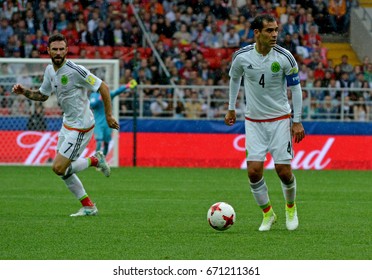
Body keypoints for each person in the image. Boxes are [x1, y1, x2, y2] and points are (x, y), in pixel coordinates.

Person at [12, 33, 119, 217]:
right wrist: (25, 92)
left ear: (67, 50)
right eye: (55, 49)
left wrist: (109, 115)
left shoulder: (75, 70)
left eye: (62, 49)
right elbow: (43, 96)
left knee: (59, 168)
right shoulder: (49, 71)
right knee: (62, 170)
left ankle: (95, 160)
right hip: (67, 124)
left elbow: (103, 87)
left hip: (81, 126)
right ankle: (89, 206)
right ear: (49, 51)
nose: (59, 52)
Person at [224, 15, 305, 231]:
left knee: (283, 171)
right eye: (269, 30)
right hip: (253, 121)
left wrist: (296, 121)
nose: (275, 34)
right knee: (253, 171)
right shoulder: (242, 57)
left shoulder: (285, 57)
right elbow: (234, 79)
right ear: (257, 33)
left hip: (279, 120)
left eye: (276, 30)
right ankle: (268, 214)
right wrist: (231, 107)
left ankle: (290, 208)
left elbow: (296, 89)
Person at [90, 79, 137, 156]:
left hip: (108, 123)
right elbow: (91, 105)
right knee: (99, 141)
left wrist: (127, 86)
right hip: (98, 123)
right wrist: (99, 99)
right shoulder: (94, 95)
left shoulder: (108, 94)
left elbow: (117, 91)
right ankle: (97, 159)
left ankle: (103, 160)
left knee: (106, 143)